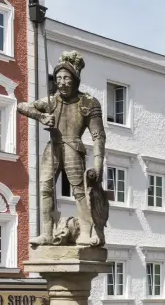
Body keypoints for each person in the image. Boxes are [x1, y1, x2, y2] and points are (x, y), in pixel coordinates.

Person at [17, 51, 106, 246]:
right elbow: (22, 106)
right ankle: (47, 233)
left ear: (75, 79)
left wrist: (98, 166)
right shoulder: (52, 101)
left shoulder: (88, 102)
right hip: (53, 146)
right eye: (58, 78)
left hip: (73, 146)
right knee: (45, 189)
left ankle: (85, 232)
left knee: (80, 191)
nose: (62, 83)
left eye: (66, 78)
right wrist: (41, 117)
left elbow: (98, 136)